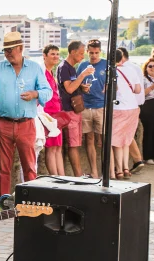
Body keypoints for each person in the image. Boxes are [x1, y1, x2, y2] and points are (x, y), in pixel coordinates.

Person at [0, 31, 52, 196]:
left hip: (26, 124)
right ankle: (4, 203)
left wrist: (35, 94)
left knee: (30, 167)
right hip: (4, 123)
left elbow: (48, 91)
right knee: (3, 168)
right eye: (5, 50)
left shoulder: (34, 68)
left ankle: (30, 200)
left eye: (11, 49)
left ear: (21, 48)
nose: (8, 53)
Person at [57, 40, 94, 177]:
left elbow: (73, 86)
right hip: (68, 110)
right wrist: (83, 75)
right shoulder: (64, 67)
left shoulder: (71, 67)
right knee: (73, 144)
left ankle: (79, 175)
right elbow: (69, 88)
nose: (82, 57)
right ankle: (78, 176)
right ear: (72, 52)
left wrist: (81, 87)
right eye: (80, 53)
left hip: (75, 109)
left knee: (76, 143)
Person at [77, 39, 107, 178]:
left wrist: (106, 88)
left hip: (101, 107)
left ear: (100, 51)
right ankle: (94, 172)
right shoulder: (82, 65)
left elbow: (115, 84)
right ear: (87, 52)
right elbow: (76, 84)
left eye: (96, 52)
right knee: (89, 139)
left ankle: (109, 171)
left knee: (104, 140)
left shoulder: (106, 64)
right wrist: (82, 87)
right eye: (91, 53)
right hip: (86, 107)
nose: (94, 55)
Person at [112, 49, 142, 180]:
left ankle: (118, 170)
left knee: (116, 141)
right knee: (126, 140)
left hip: (119, 108)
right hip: (133, 108)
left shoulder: (112, 71)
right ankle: (126, 168)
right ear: (122, 58)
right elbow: (137, 89)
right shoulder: (131, 70)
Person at [118, 47, 146, 174]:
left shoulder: (120, 69)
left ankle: (129, 163)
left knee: (123, 136)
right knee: (129, 134)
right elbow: (138, 89)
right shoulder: (135, 67)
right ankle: (135, 161)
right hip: (136, 105)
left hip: (123, 106)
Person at [41, 44, 65, 176]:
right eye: (52, 54)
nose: (56, 56)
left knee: (57, 147)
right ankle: (55, 178)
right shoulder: (42, 72)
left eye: (57, 54)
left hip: (56, 114)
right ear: (44, 56)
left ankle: (62, 177)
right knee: (51, 147)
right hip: (48, 115)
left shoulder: (51, 72)